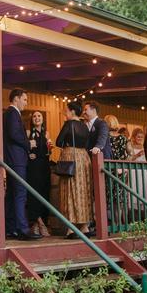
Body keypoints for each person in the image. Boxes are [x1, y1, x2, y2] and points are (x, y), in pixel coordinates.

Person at [3, 88, 41, 240]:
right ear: (16, 99)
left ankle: (11, 228)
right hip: (16, 159)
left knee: (12, 195)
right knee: (20, 194)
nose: (26, 103)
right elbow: (14, 134)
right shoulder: (13, 113)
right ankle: (23, 229)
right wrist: (28, 143)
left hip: (12, 158)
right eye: (24, 99)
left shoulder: (8, 114)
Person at [56, 102, 92, 239]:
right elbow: (88, 144)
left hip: (70, 157)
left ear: (72, 112)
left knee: (70, 190)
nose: (65, 113)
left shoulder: (69, 124)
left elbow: (59, 141)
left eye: (66, 111)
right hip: (84, 158)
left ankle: (71, 228)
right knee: (83, 191)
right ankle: (84, 226)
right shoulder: (85, 126)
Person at [26, 111, 52, 237]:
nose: (36, 118)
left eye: (39, 116)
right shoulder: (28, 133)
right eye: (34, 116)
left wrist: (50, 148)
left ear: (43, 119)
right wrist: (28, 154)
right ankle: (40, 223)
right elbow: (24, 148)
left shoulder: (47, 133)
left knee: (44, 192)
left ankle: (38, 225)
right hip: (33, 166)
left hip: (44, 166)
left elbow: (48, 151)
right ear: (32, 120)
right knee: (34, 193)